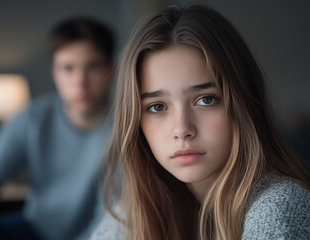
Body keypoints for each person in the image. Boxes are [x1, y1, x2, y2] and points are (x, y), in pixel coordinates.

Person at [90, 5, 310, 240]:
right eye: (157, 106)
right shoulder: (137, 212)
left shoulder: (278, 206)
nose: (182, 129)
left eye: (206, 100)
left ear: (244, 103)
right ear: (135, 122)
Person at [0, 16, 115, 240]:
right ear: (55, 72)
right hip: (33, 230)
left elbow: (110, 219)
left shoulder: (123, 129)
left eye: (92, 67)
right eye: (68, 68)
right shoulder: (33, 118)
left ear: (111, 70)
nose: (79, 81)